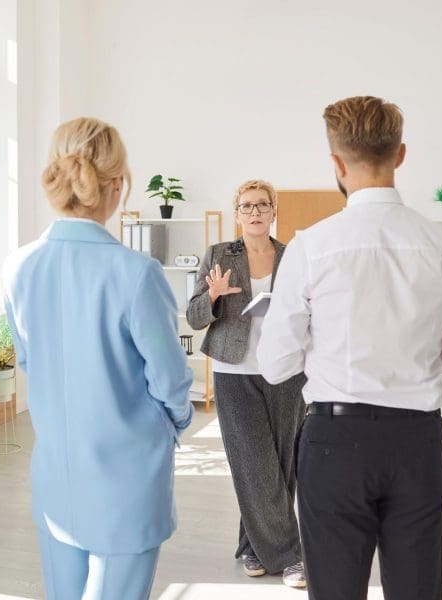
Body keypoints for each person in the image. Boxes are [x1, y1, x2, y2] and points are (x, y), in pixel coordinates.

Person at [258, 95, 442, 600]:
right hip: (418, 443)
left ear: (336, 163)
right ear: (400, 155)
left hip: (335, 442)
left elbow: (275, 366)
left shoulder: (310, 246)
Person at [2, 116, 193, 600]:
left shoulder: (19, 266)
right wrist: (177, 419)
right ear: (116, 186)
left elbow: (28, 361)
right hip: (127, 475)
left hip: (57, 471)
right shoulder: (137, 273)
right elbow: (170, 380)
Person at [186, 179, 306, 588]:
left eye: (262, 204)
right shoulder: (219, 255)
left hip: (286, 371)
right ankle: (291, 555)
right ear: (236, 213)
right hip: (234, 372)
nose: (254, 211)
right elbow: (194, 316)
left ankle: (252, 546)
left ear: (274, 211)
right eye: (246, 205)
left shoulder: (294, 257)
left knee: (281, 463)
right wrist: (215, 296)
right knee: (254, 463)